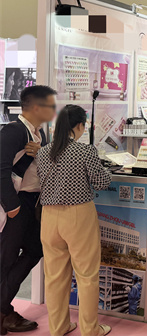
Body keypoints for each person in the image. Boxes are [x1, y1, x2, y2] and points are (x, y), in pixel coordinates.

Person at [36, 104, 112, 336]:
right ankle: (90, 330)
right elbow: (101, 182)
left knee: (55, 277)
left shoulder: (43, 152)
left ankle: (59, 328)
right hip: (78, 216)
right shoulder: (85, 151)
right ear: (79, 125)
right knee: (87, 275)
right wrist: (108, 172)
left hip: (49, 217)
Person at [0, 85, 57, 335]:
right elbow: (1, 169)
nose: (53, 111)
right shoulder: (13, 131)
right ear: (36, 107)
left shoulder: (39, 133)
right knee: (5, 259)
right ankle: (4, 312)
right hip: (15, 203)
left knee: (35, 249)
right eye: (50, 106)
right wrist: (11, 206)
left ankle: (2, 308)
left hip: (32, 203)